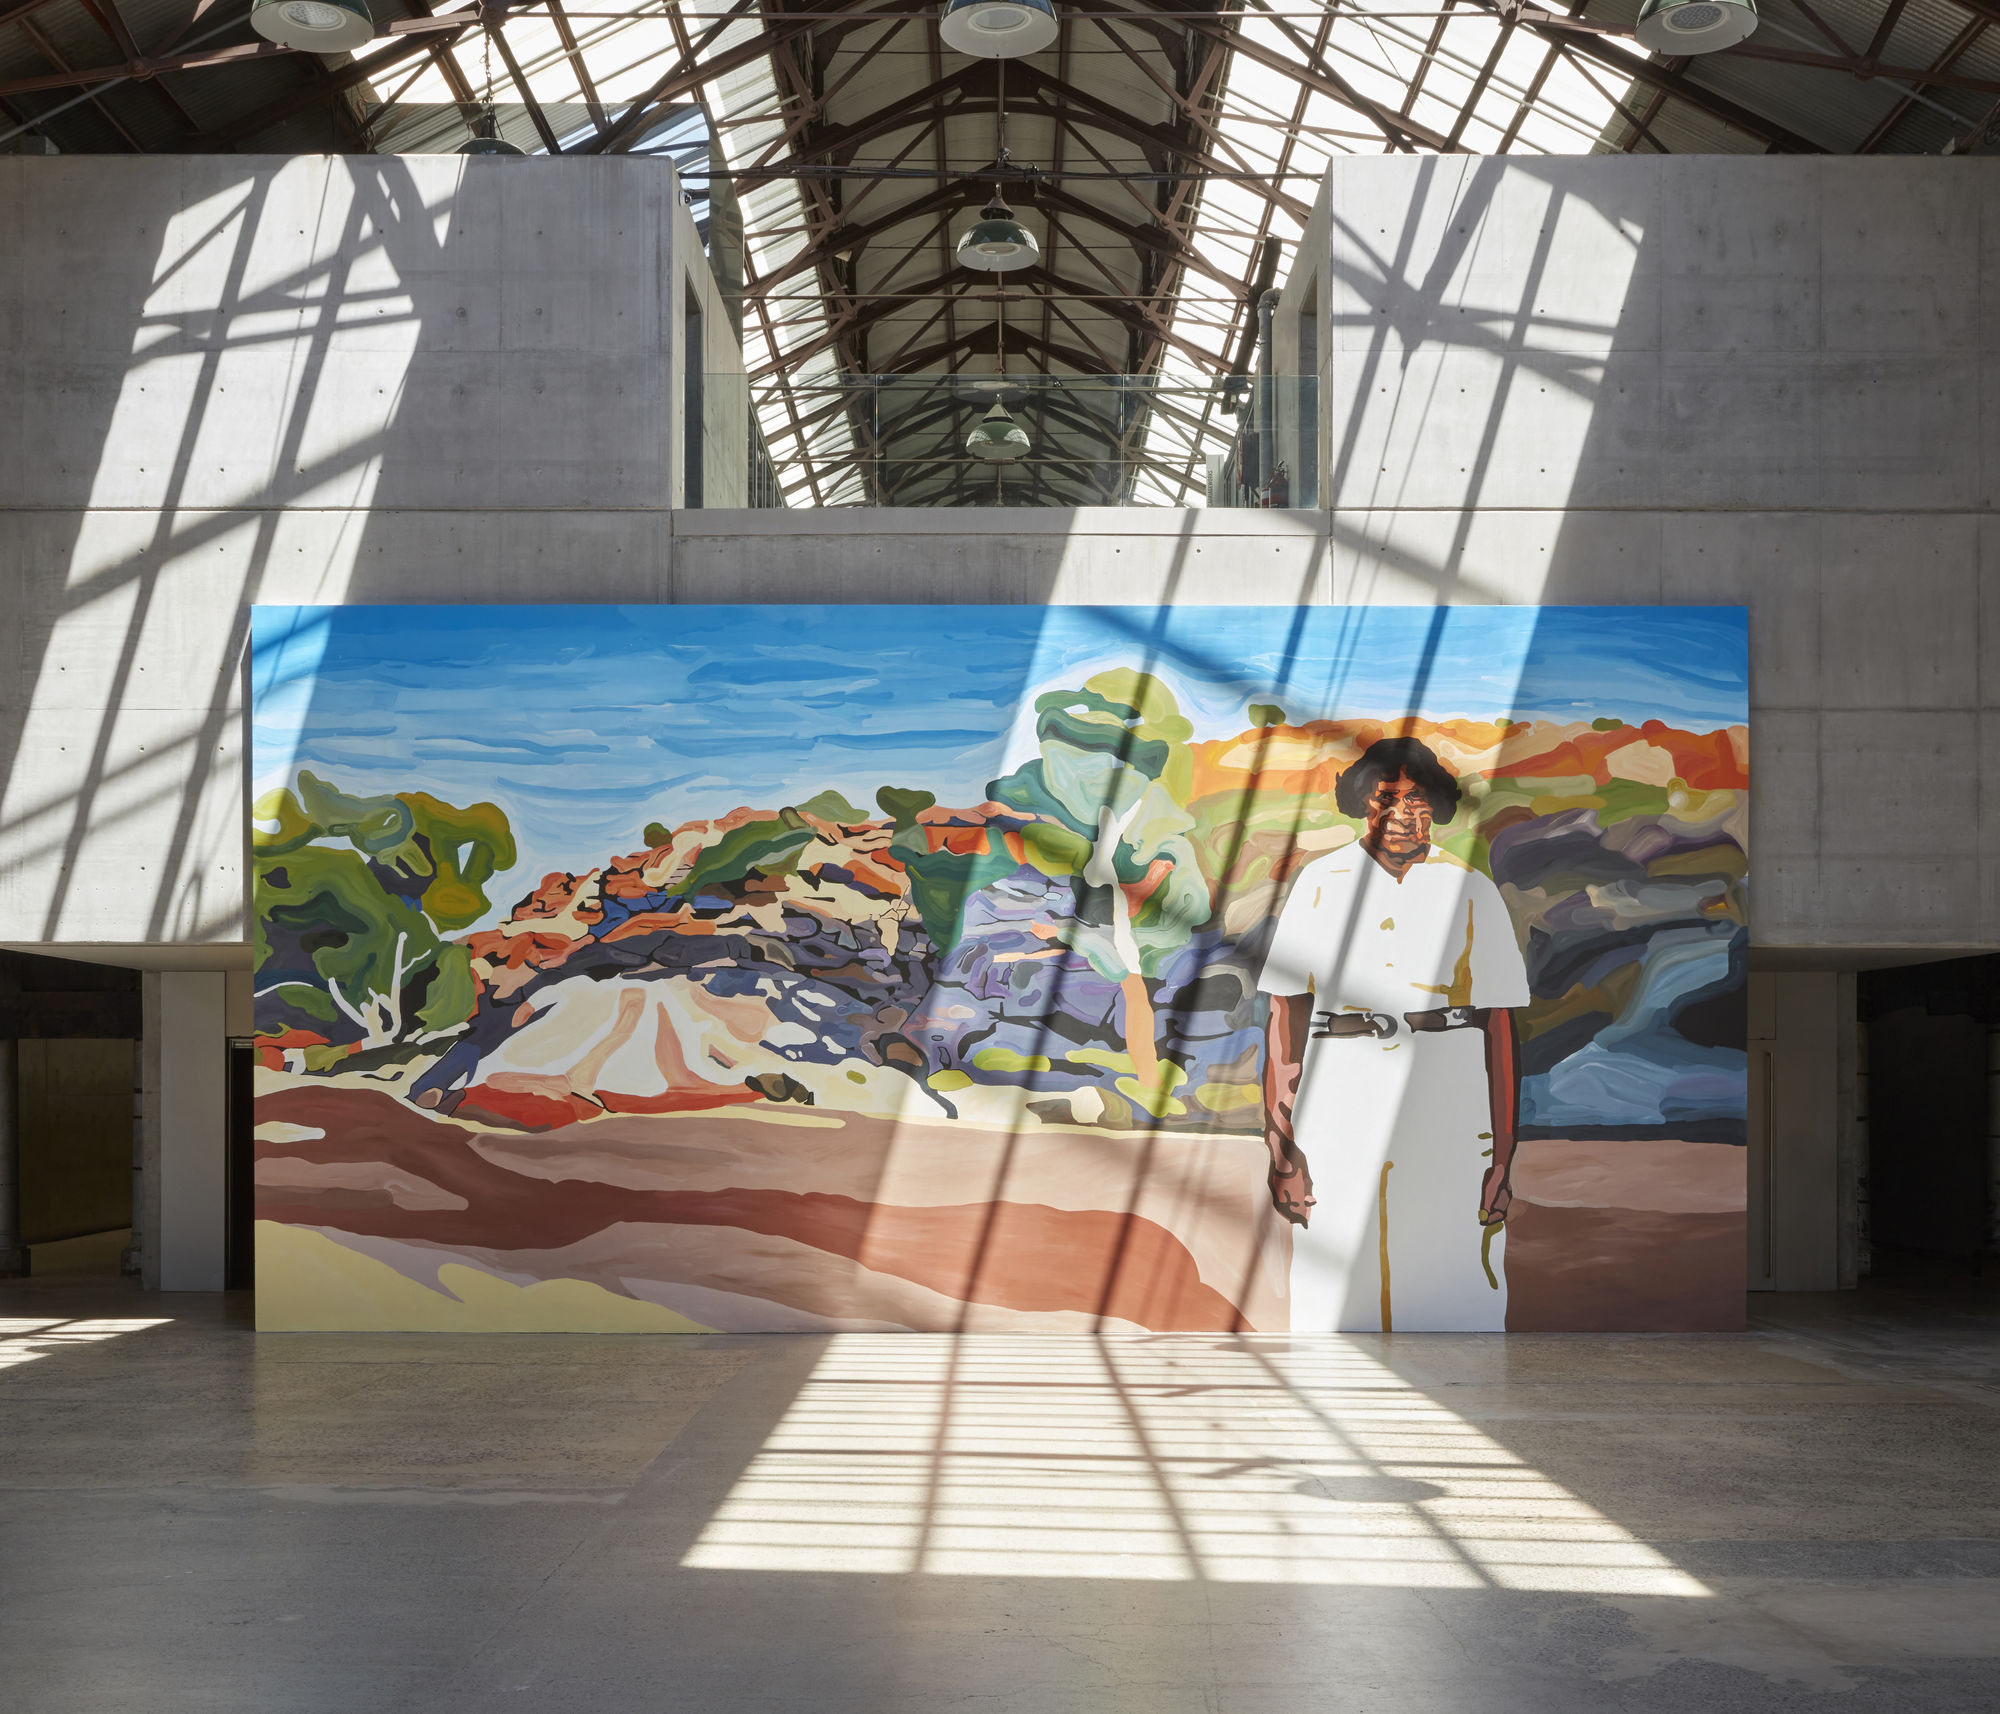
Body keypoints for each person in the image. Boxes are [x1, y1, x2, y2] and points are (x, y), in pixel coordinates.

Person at [1256, 735, 1529, 1332]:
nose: (1406, 813)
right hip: (1338, 1085)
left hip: (1449, 1086)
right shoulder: (1321, 883)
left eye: (1420, 799)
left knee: (1461, 1264)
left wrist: (1503, 1155)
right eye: (1388, 798)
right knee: (1331, 1265)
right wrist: (1280, 1146)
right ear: (1363, 803)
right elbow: (1285, 1018)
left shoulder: (1471, 890)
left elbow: (1500, 1026)